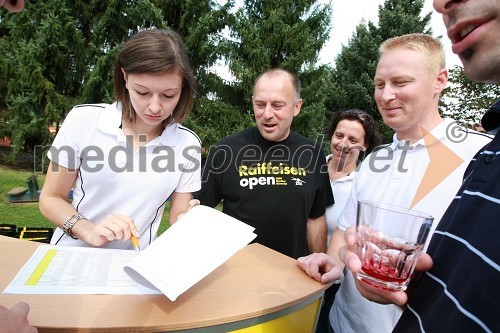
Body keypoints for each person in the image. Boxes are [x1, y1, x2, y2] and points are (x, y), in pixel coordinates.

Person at [297, 33, 492, 332]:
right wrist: (336, 263)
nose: (386, 95)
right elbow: (347, 231)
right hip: (341, 323)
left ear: (439, 81)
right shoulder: (374, 159)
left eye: (400, 83)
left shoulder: (479, 156)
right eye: (379, 84)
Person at [39, 29, 201, 250]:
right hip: (72, 256)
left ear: (183, 87)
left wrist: (188, 220)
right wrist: (89, 231)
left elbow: (178, 216)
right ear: (124, 77)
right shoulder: (83, 119)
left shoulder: (187, 144)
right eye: (142, 92)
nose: (155, 107)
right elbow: (50, 198)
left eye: (168, 95)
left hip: (134, 265)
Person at [194, 68, 334, 259]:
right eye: (260, 104)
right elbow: (200, 213)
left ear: (297, 106)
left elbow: (315, 218)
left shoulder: (313, 153)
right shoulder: (226, 150)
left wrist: (319, 263)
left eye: (277, 105)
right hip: (236, 273)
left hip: (292, 277)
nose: (267, 114)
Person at [315, 109, 382, 333]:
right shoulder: (310, 169)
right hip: (294, 267)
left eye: (353, 140)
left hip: (332, 283)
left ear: (365, 146)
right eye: (339, 135)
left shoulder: (363, 186)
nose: (343, 144)